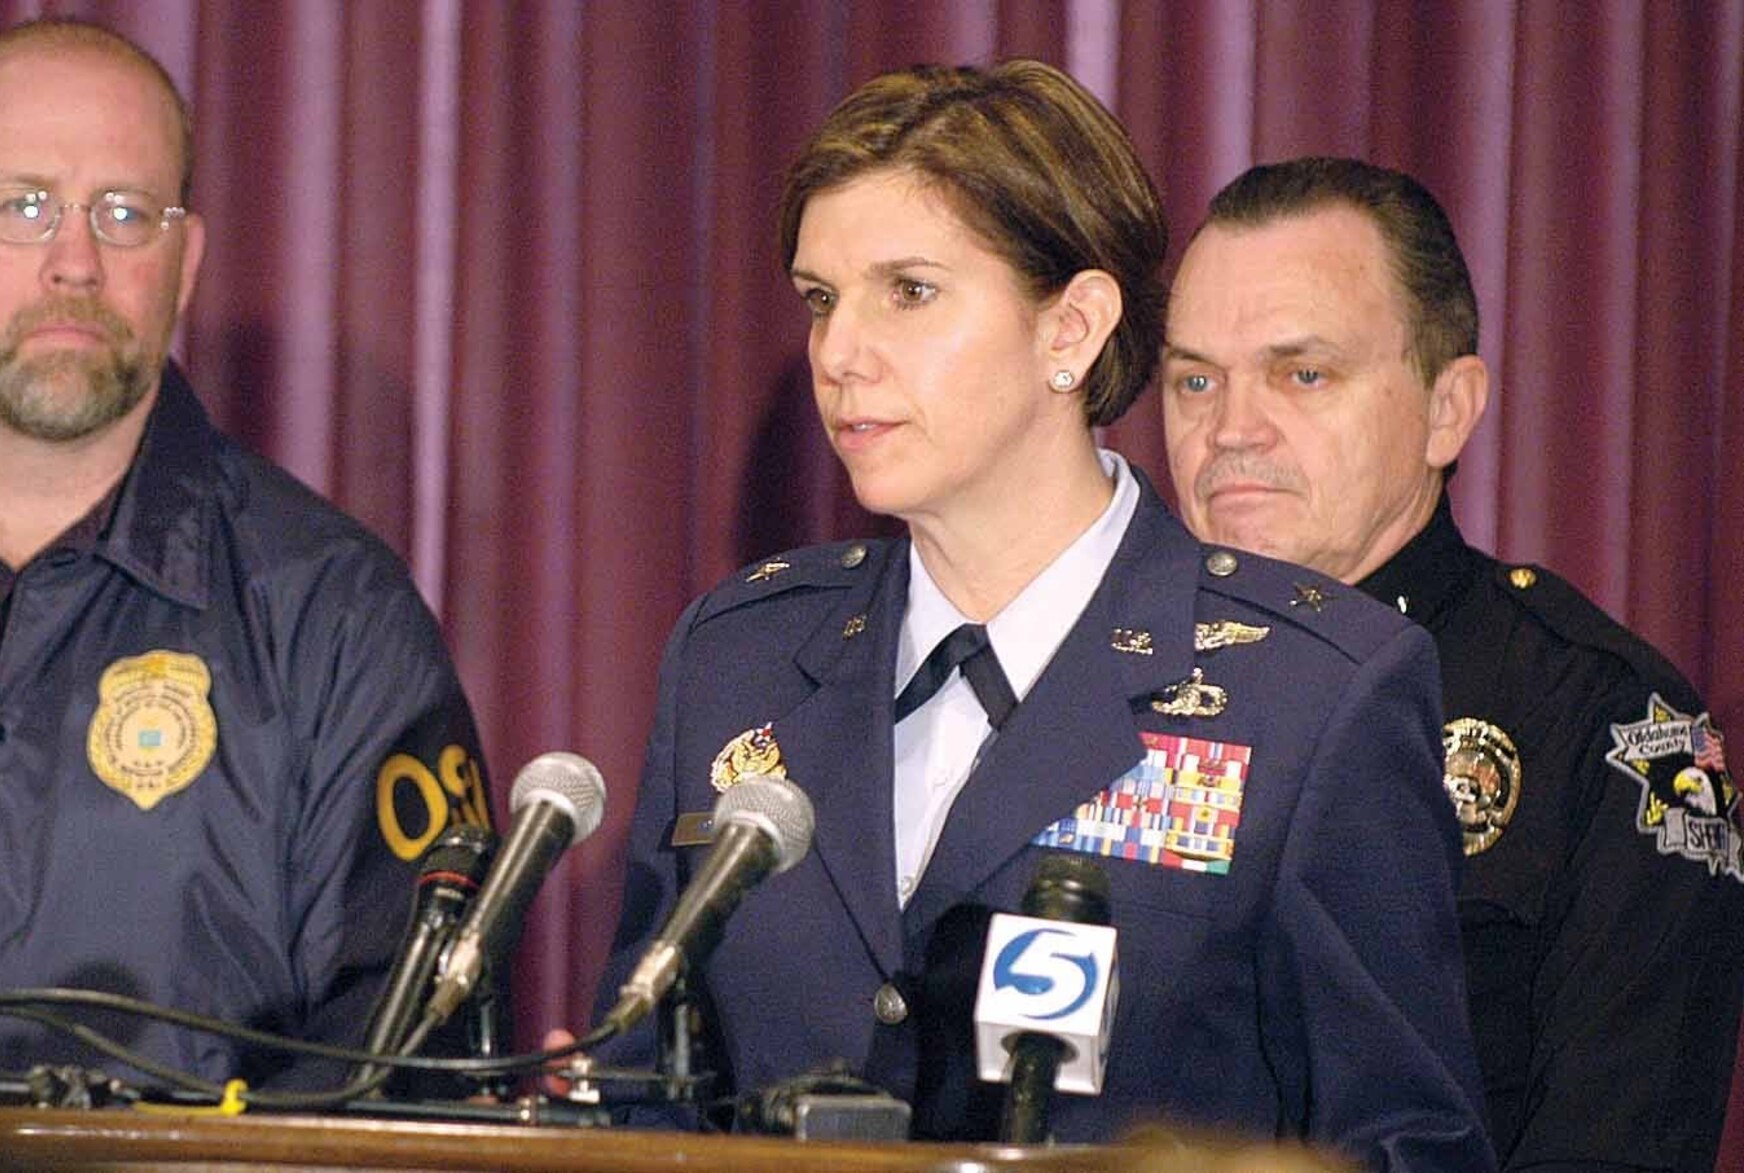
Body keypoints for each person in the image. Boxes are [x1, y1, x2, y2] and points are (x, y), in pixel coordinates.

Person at [591, 62, 1493, 1169]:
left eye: (907, 292)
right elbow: (640, 1094)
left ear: (1070, 329)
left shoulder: (1312, 689)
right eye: (821, 298)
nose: (837, 353)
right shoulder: (739, 654)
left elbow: (1404, 1143)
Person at [0, 16, 489, 1125]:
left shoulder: (337, 623)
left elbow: (413, 1082)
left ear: (184, 264)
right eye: (20, 204)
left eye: (126, 213)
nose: (75, 259)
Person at [1161, 156, 1744, 1170]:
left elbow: (1619, 1140)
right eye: (1193, 380)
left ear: (1446, 409)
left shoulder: (1607, 725)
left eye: (1303, 374)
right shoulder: (1095, 685)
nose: (1229, 430)